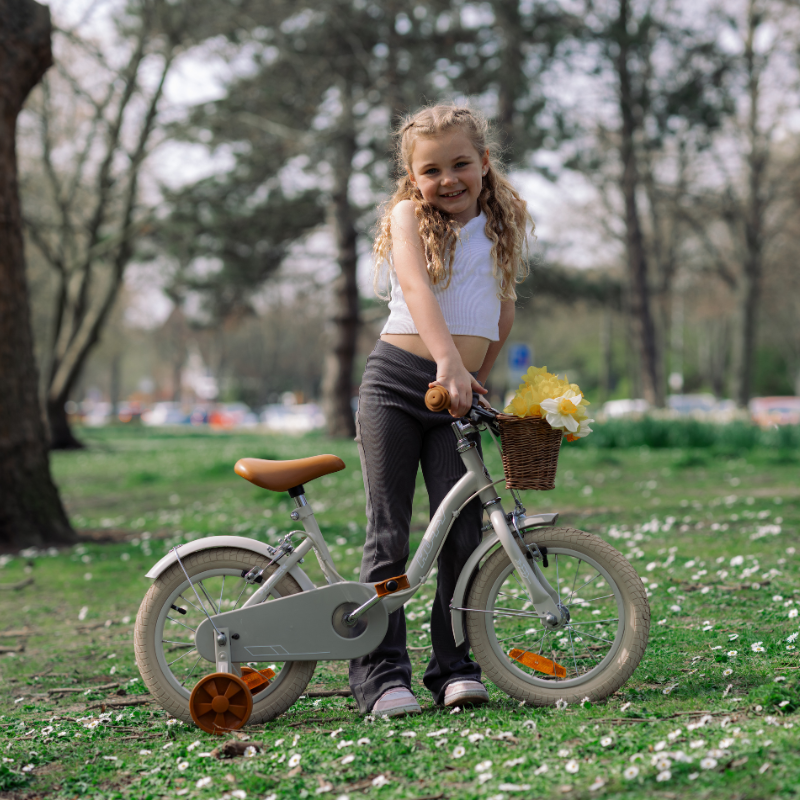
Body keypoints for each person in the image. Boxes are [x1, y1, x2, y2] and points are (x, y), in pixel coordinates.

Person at [349, 104, 533, 717]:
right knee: (390, 530)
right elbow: (418, 288)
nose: (447, 179)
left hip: (456, 390)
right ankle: (381, 676)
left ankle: (454, 667)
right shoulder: (408, 216)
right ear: (412, 178)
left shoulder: (501, 223)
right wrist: (448, 362)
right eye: (431, 170)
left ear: (484, 163)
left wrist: (475, 374)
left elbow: (502, 311)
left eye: (460, 164)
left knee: (461, 531)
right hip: (397, 385)